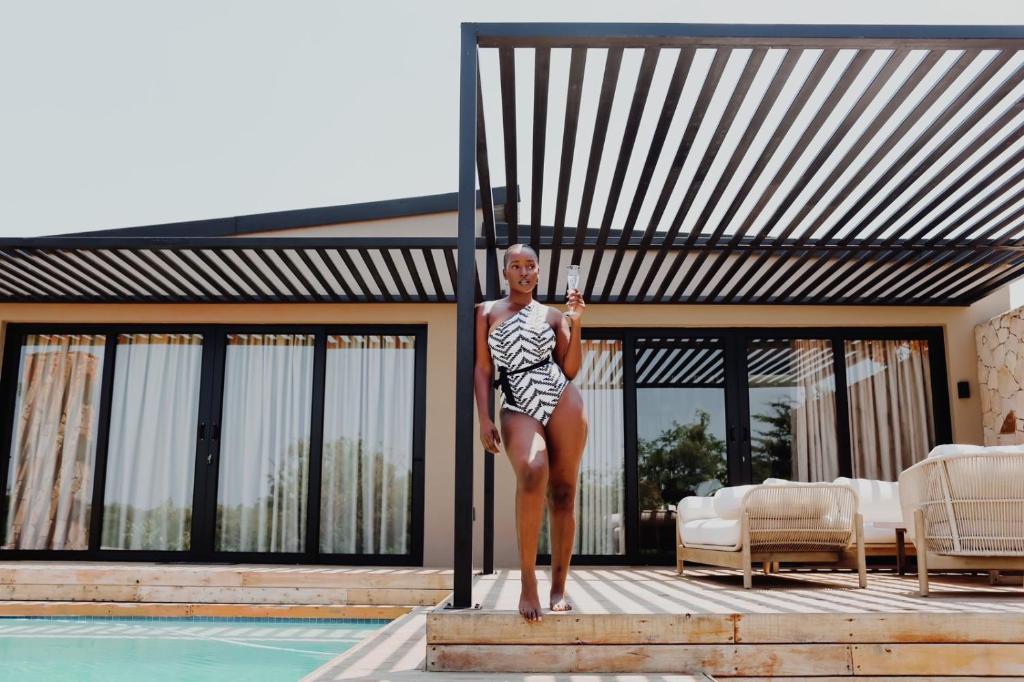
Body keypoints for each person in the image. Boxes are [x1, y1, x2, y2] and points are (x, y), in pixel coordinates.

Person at [474, 243, 589, 622]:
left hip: (560, 396)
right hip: (517, 400)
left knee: (564, 492)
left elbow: (570, 369)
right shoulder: (486, 312)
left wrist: (576, 321)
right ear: (505, 273)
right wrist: (484, 417)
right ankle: (528, 582)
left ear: (538, 272)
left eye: (530, 266)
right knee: (533, 471)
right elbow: (483, 370)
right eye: (516, 266)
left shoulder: (553, 315)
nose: (523, 272)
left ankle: (559, 586)